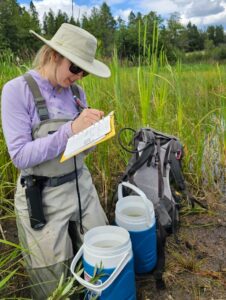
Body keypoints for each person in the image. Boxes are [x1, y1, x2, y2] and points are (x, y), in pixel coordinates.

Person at [1, 23, 110, 299]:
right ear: (52, 55)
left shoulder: (76, 94)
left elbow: (76, 149)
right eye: (75, 68)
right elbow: (20, 155)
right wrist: (70, 130)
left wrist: (92, 137)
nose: (79, 77)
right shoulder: (16, 91)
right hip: (42, 195)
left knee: (103, 257)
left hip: (81, 186)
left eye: (84, 71)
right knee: (54, 286)